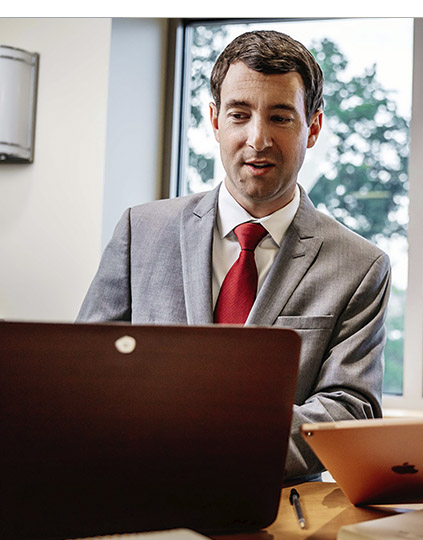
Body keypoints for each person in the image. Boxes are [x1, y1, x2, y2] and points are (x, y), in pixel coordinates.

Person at [77, 30, 391, 483]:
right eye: (239, 114)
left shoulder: (360, 266)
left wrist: (214, 445)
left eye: (280, 117)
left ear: (314, 128)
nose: (257, 138)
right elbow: (85, 370)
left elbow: (348, 409)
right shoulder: (139, 231)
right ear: (215, 120)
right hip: (139, 497)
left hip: (275, 511)